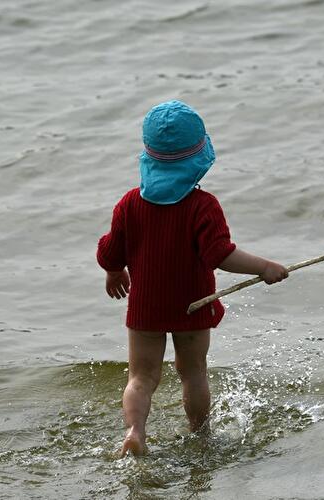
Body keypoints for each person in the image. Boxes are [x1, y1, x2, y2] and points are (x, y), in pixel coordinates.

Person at [97, 100, 288, 457]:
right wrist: (263, 267)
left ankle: (135, 432)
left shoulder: (129, 204)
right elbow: (220, 255)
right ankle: (200, 435)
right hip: (192, 305)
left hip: (146, 307)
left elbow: (110, 251)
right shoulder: (203, 206)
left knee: (141, 378)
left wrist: (113, 271)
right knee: (193, 372)